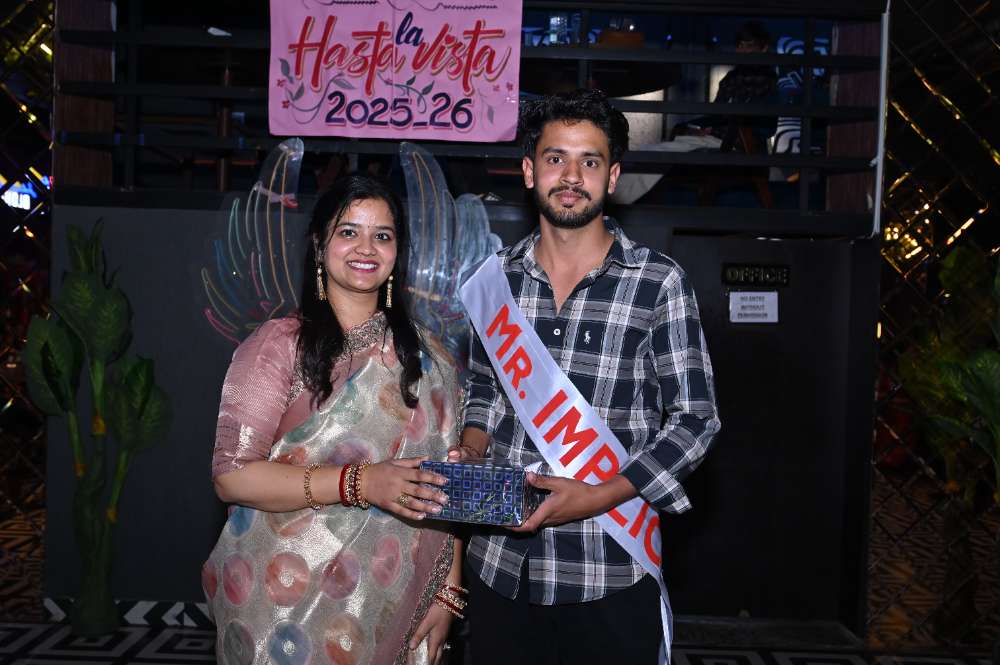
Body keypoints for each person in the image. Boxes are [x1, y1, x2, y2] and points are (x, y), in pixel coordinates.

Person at [449, 89, 720, 664]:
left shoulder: (657, 283)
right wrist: (470, 448)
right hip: (500, 569)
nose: (571, 177)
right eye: (555, 158)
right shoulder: (495, 282)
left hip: (609, 566)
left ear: (612, 176)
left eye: (589, 161)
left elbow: (696, 421)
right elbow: (483, 391)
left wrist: (599, 495)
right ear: (529, 170)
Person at [204, 175, 465, 665]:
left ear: (397, 252)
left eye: (382, 235)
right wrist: (360, 483)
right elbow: (232, 476)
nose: (366, 248)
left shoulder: (430, 358)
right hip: (279, 604)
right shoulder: (278, 347)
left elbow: (446, 486)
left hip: (392, 599)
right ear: (319, 247)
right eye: (348, 232)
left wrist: (448, 590)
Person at [612, 21, 778, 204]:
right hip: (717, 138)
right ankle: (615, 196)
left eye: (750, 46)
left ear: (763, 48)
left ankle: (617, 200)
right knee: (650, 151)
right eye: (741, 45)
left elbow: (767, 127)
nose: (744, 51)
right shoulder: (731, 79)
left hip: (738, 144)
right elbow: (716, 115)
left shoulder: (767, 81)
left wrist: (730, 128)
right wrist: (700, 126)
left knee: (660, 152)